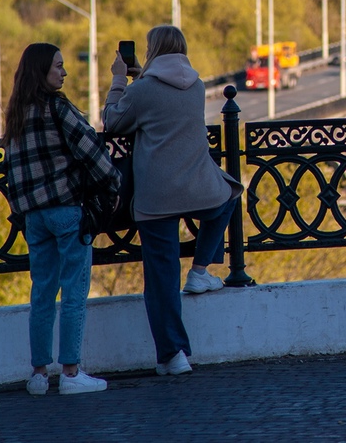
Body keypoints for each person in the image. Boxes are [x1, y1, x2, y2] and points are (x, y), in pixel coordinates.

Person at [103, 25, 242, 377]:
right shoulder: (197, 86)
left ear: (152, 49)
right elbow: (164, 93)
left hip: (156, 198)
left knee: (162, 278)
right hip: (199, 188)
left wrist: (120, 79)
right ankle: (200, 270)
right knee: (230, 193)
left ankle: (173, 356)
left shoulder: (143, 90)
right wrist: (141, 77)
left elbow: (112, 122)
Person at [3, 42, 121, 396]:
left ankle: (39, 374)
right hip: (67, 211)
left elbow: (11, 171)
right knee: (73, 290)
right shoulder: (57, 107)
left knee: (42, 292)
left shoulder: (15, 114)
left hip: (33, 217)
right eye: (58, 66)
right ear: (43, 71)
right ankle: (71, 372)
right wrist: (114, 184)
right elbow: (91, 150)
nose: (64, 72)